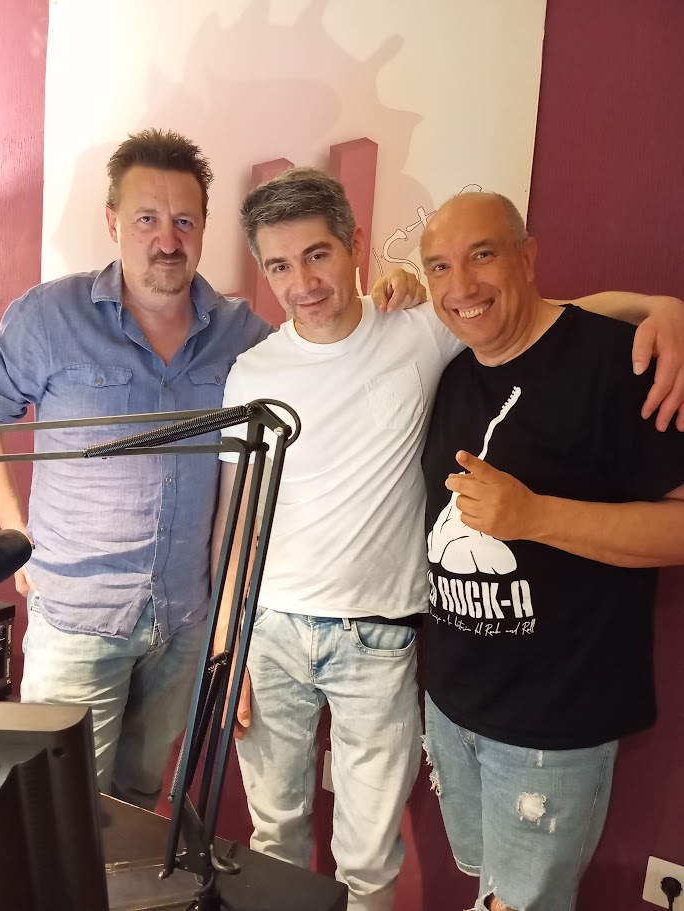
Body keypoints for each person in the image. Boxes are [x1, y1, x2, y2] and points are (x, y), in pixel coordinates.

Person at [212, 168, 684, 911]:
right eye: (278, 265)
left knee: (369, 860)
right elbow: (240, 516)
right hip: (272, 632)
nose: (301, 282)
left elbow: (552, 317)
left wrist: (662, 308)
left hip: (380, 641)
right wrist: (226, 638)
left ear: (354, 244)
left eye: (317, 254)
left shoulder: (422, 328)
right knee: (273, 840)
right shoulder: (253, 372)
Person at [418, 191, 684, 911]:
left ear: (527, 257)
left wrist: (535, 516)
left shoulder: (617, 362)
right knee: (487, 887)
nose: (460, 285)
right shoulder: (453, 369)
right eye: (439, 266)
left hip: (553, 727)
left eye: (482, 254)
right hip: (453, 708)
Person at [0, 129, 271, 809]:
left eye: (184, 221)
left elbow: (324, 355)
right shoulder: (48, 317)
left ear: (203, 227)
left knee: (138, 808)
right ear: (114, 221)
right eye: (147, 219)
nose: (167, 240)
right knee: (57, 818)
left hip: (184, 623)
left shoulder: (242, 334)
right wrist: (15, 530)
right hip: (77, 620)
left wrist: (389, 295)